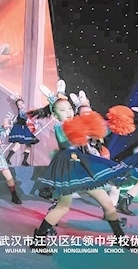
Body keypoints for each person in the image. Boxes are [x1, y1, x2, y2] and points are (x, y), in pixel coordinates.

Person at [27, 81, 131, 254]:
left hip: (82, 165)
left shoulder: (75, 123)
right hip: (69, 167)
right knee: (63, 207)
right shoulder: (60, 126)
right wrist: (98, 128)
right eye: (62, 110)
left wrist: (109, 125)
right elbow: (79, 135)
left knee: (107, 203)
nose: (68, 112)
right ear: (54, 114)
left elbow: (92, 133)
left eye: (69, 108)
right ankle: (38, 239)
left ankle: (120, 237)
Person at [6, 95, 39, 166]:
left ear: (24, 104)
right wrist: (34, 114)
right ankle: (7, 159)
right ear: (17, 106)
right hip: (19, 128)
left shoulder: (23, 111)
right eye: (18, 105)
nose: (20, 106)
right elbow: (25, 115)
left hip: (23, 128)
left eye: (22, 104)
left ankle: (24, 161)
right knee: (18, 145)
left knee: (28, 145)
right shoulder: (22, 111)